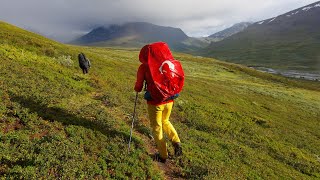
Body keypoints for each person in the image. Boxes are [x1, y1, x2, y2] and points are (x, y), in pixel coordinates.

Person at [134, 42, 182, 163]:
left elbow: (139, 86)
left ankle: (163, 156)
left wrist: (137, 88)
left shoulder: (144, 67)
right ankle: (176, 142)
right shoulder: (168, 63)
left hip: (155, 103)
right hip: (170, 100)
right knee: (165, 121)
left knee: (157, 127)